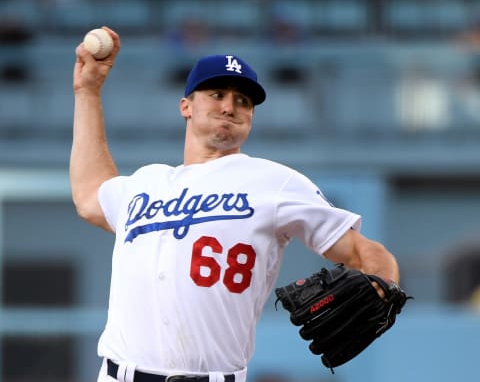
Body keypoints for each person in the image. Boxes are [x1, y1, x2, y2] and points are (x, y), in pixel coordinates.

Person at [71, 27, 400, 382]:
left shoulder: (275, 183)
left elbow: (363, 250)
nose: (230, 106)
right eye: (216, 94)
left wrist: (383, 285)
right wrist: (87, 91)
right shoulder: (147, 183)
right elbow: (91, 195)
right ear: (186, 106)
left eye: (243, 101)